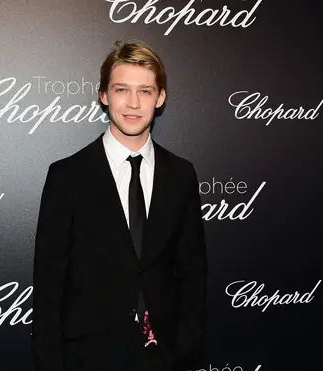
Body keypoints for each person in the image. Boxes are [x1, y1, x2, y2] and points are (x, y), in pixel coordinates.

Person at [31, 39, 207, 371]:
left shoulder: (181, 174)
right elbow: (48, 285)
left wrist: (187, 346)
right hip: (88, 357)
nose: (132, 103)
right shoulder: (67, 176)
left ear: (160, 98)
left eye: (145, 91)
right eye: (122, 89)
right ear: (103, 95)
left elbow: (192, 269)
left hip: (166, 356)